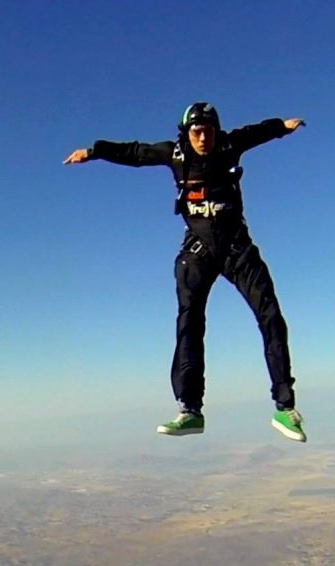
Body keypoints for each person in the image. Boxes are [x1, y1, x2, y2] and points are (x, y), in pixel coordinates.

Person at [63, 102, 307, 442]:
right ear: (186, 133)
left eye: (208, 130)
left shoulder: (228, 145)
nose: (203, 137)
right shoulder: (174, 154)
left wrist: (281, 126)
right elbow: (136, 152)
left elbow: (256, 132)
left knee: (271, 315)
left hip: (236, 247)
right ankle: (189, 409)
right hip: (198, 250)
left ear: (216, 131)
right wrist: (94, 152)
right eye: (196, 131)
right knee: (189, 322)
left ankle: (285, 407)